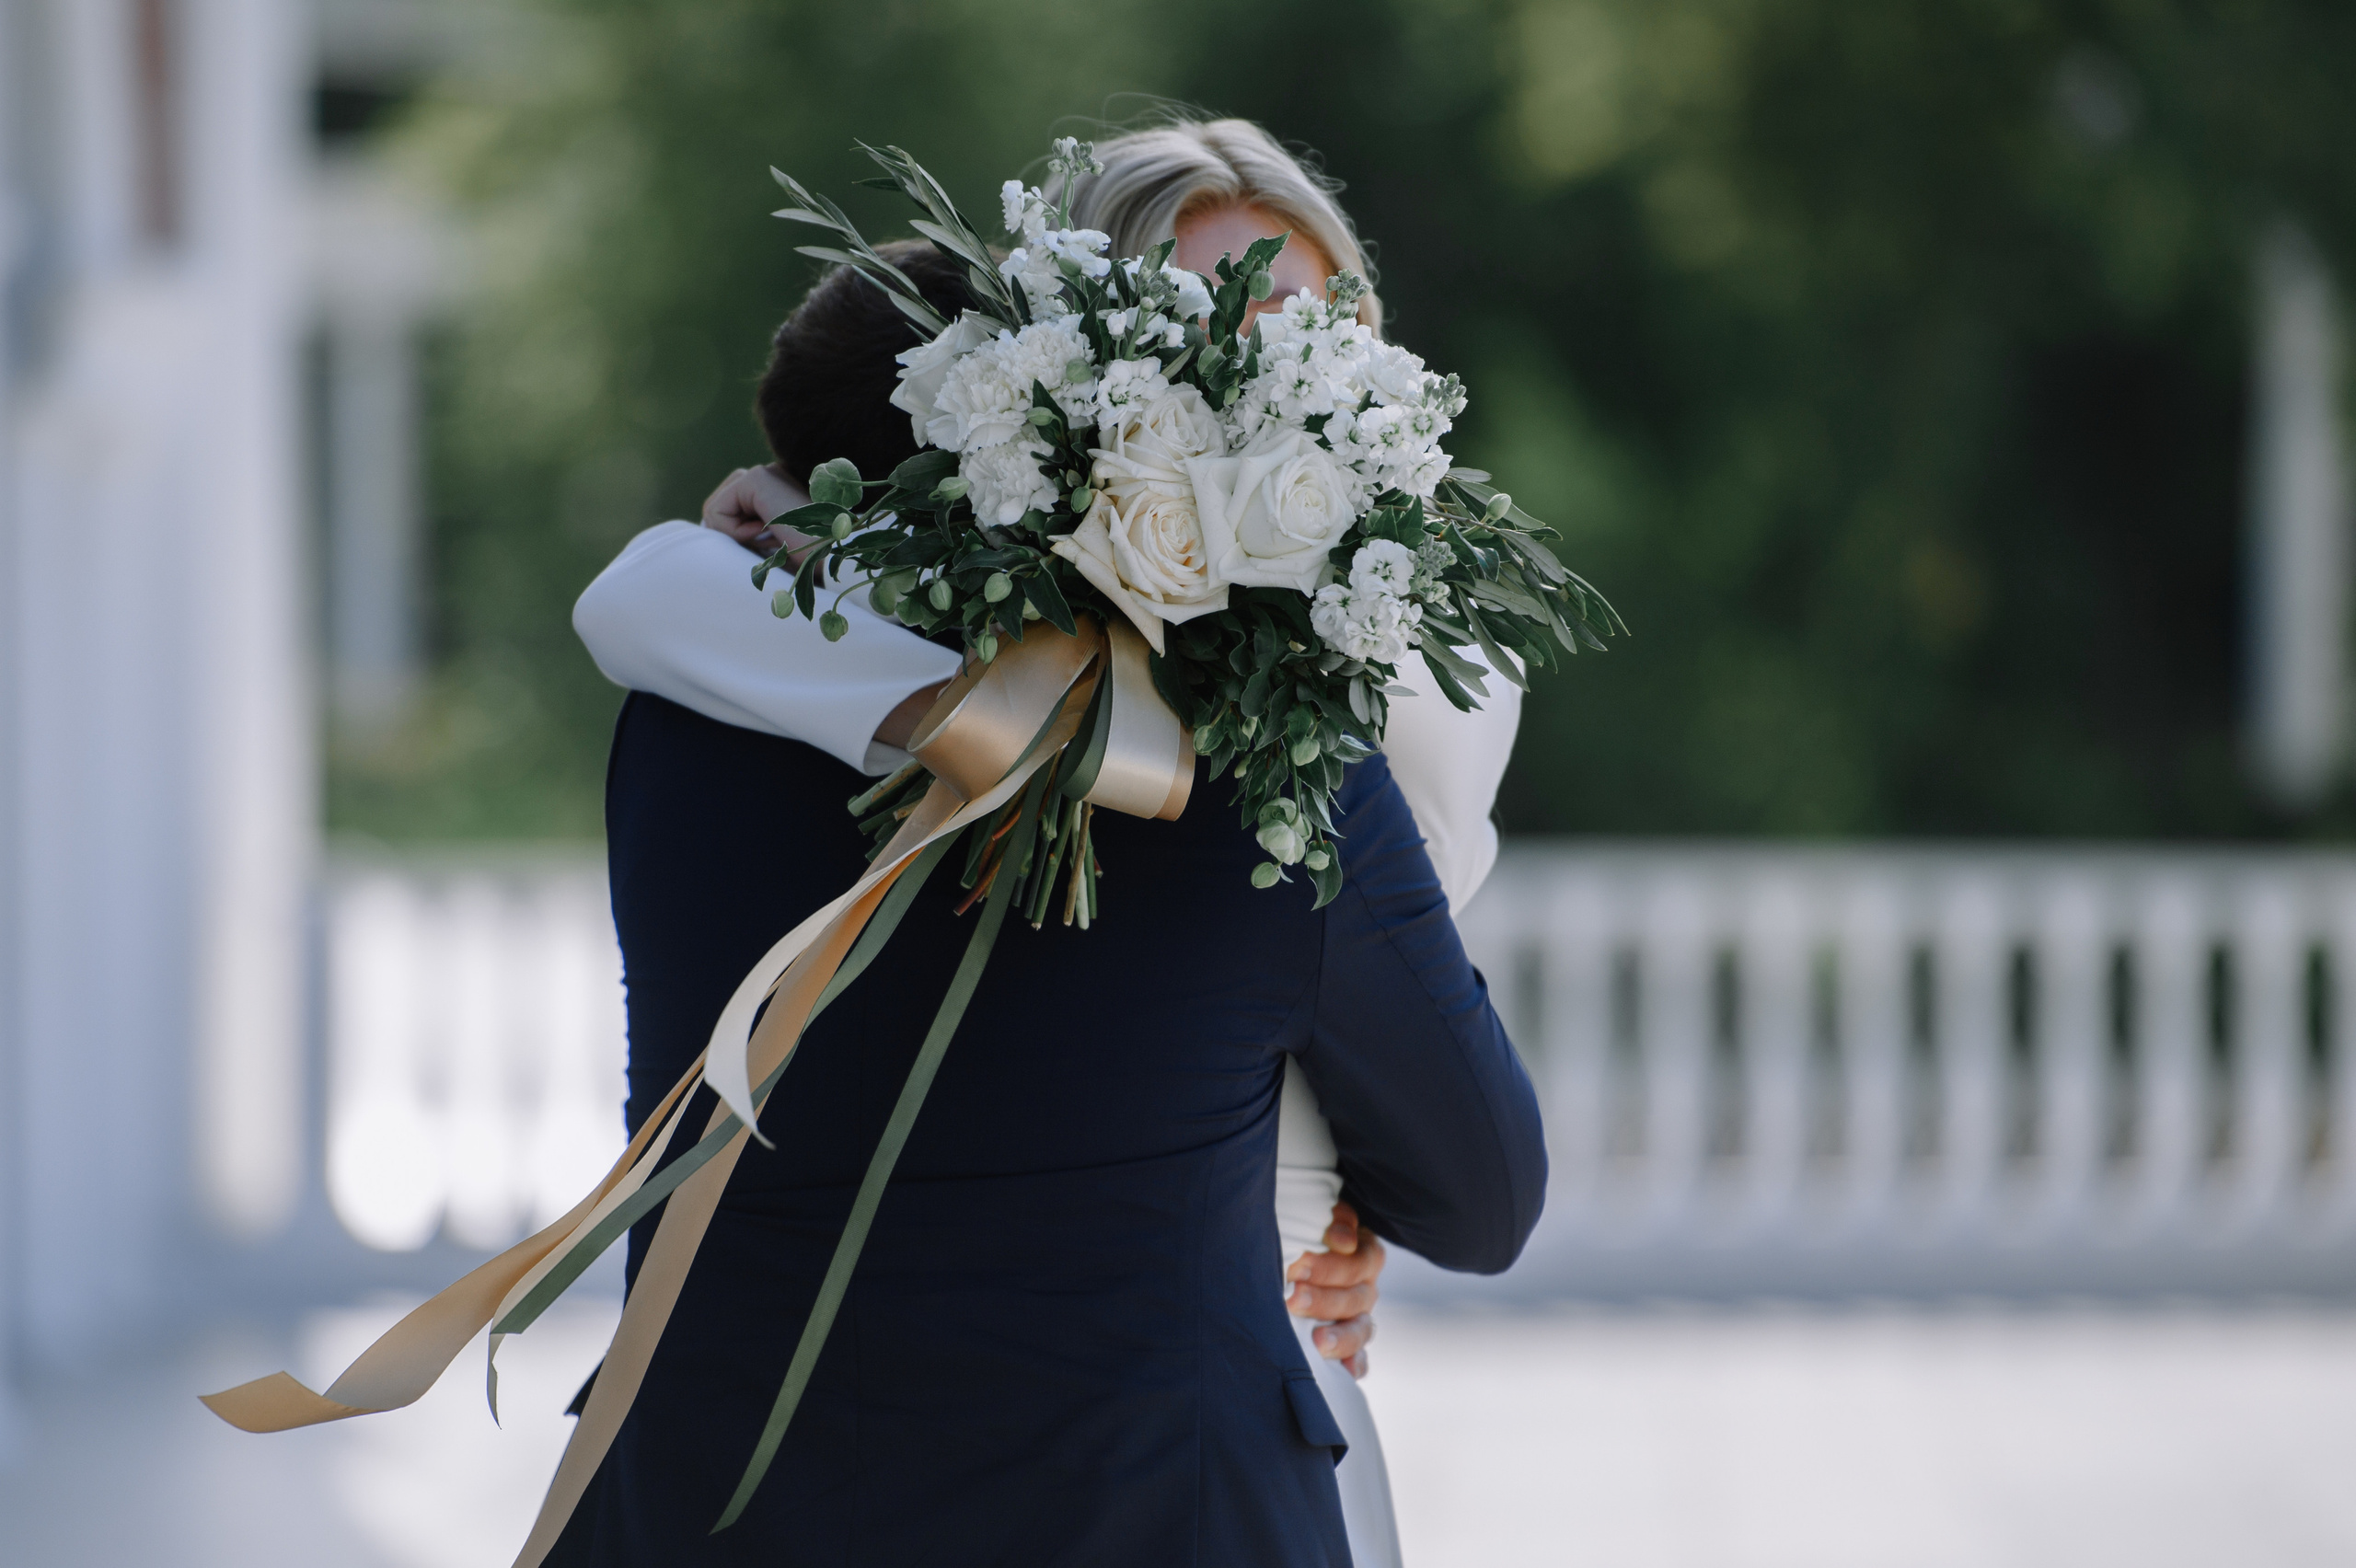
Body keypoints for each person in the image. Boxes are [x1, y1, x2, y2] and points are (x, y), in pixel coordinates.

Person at [560, 120, 1542, 1566]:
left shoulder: (683, 713)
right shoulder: (1265, 781)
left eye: (1320, 347)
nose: (1272, 402)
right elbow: (1479, 1182)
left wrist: (1330, 1197)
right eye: (1224, 344)